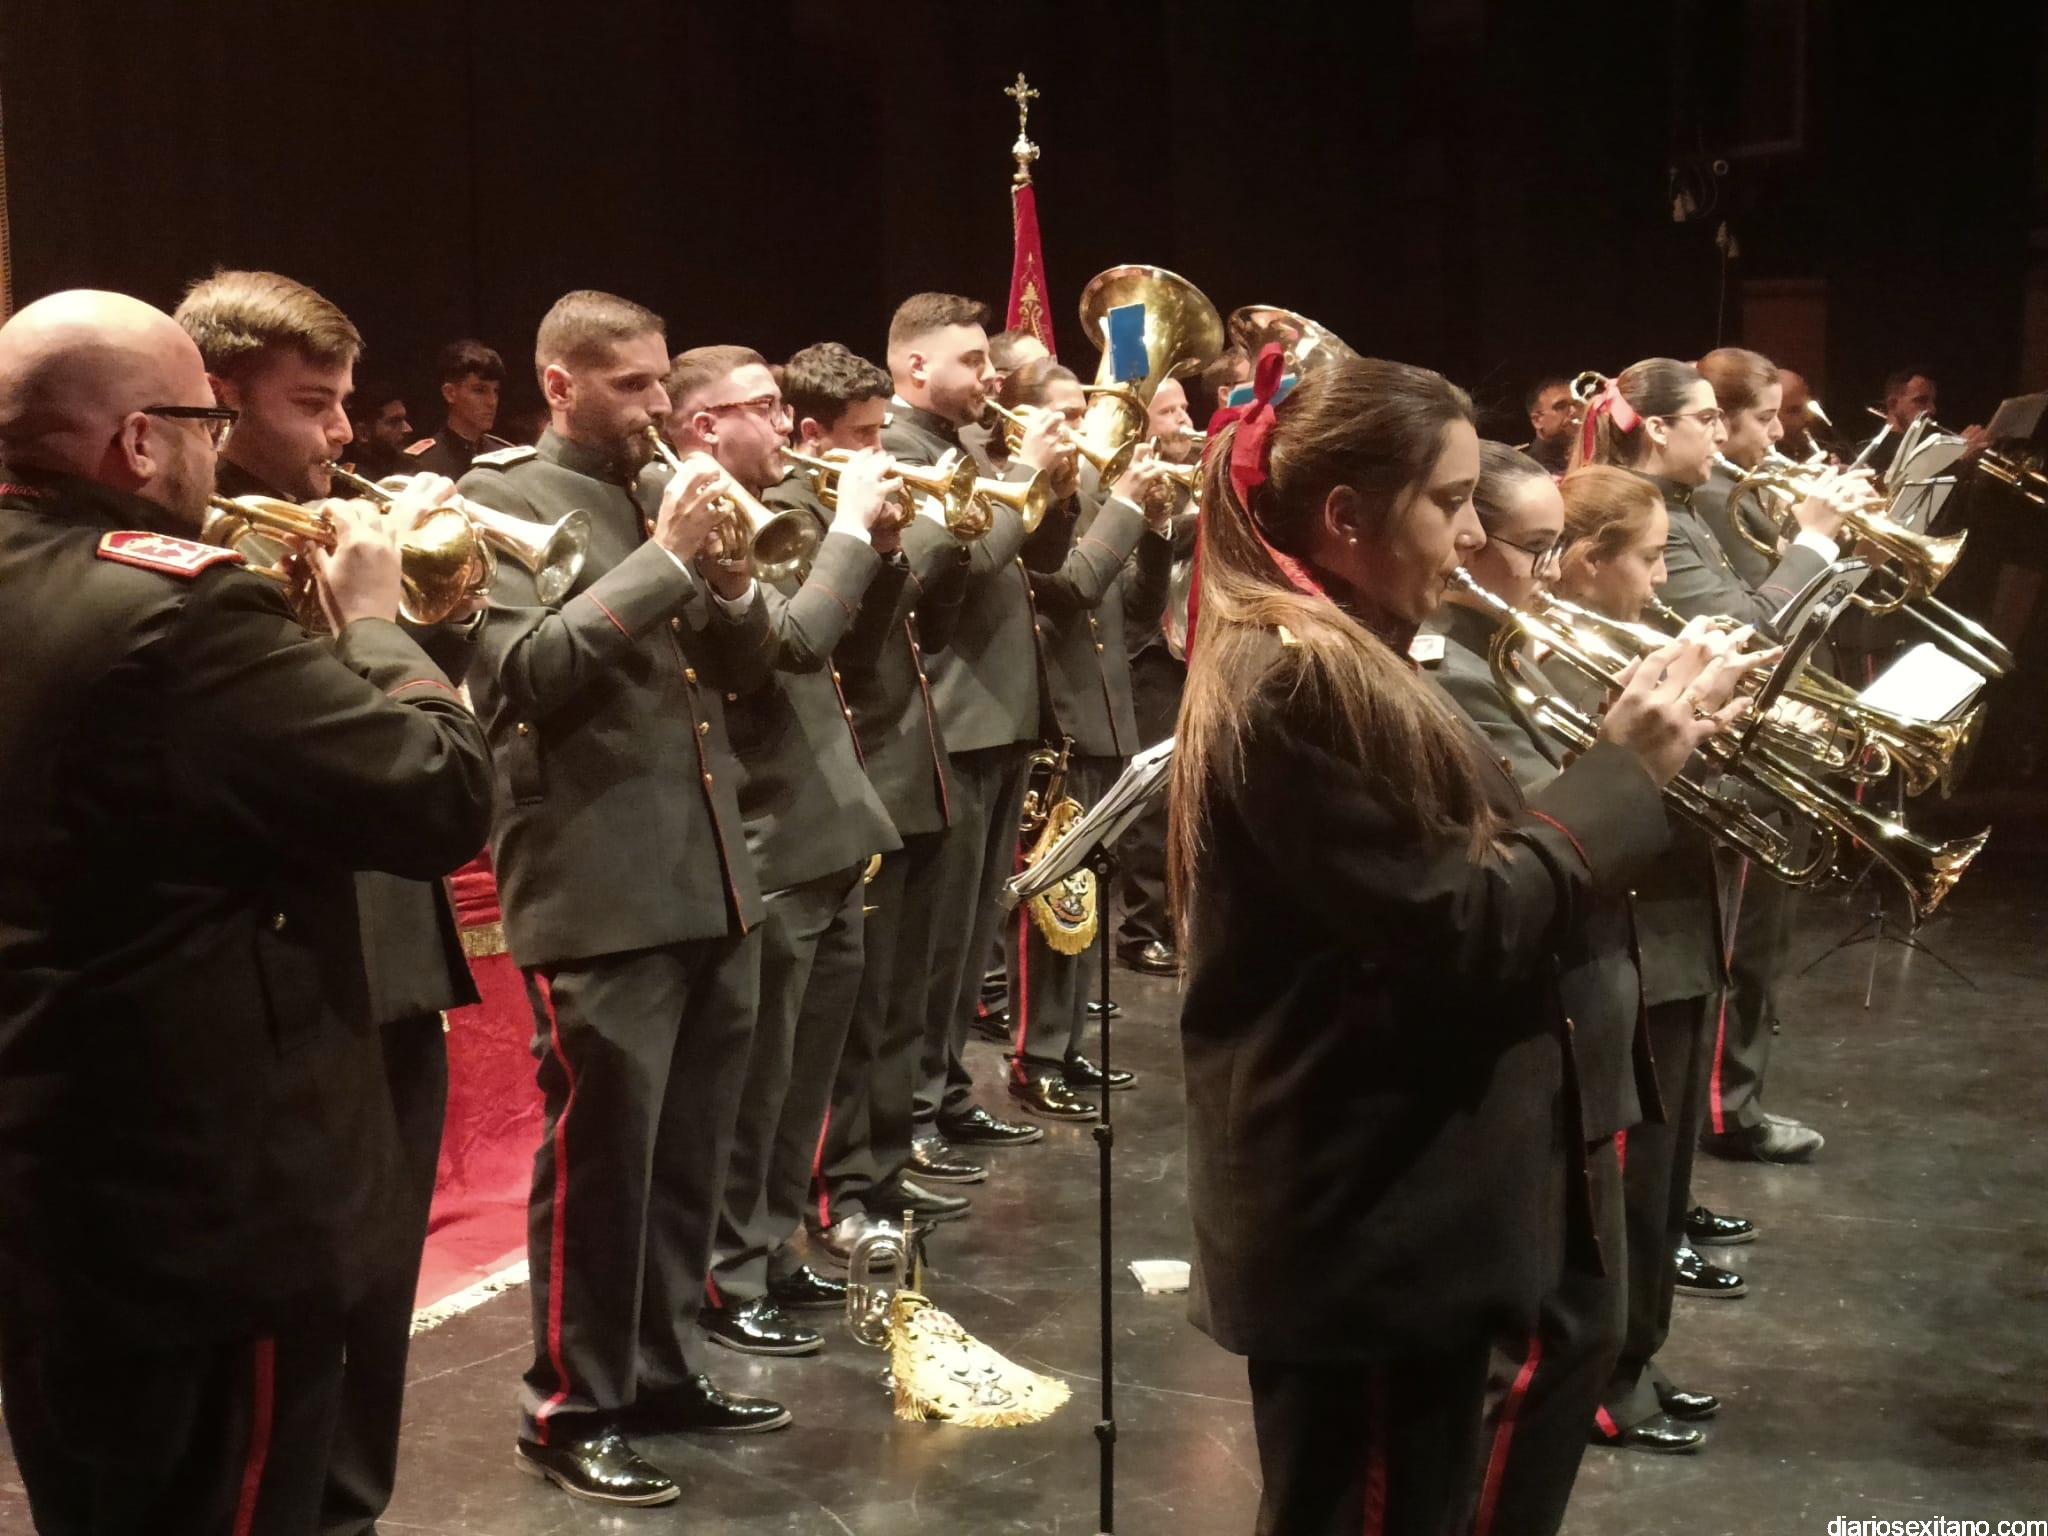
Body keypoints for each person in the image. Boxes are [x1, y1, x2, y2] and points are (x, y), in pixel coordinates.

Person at [1172, 349, 1746, 1534]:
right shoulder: (1299, 680)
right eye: (1445, 504)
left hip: (1397, 1204)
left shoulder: (1349, 655)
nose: (1469, 536)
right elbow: (1460, 921)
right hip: (1369, 1219)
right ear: (1346, 517)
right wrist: (1620, 774)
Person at [0, 289, 493, 1533]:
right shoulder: (186, 606)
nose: (215, 453)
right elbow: (437, 794)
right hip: (203, 1208)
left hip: (47, 1180)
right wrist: (374, 626)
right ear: (139, 440)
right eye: (204, 424)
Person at [457, 290, 788, 1508]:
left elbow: (748, 673)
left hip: (708, 868)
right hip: (595, 880)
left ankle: (658, 1370)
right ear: (560, 384)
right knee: (601, 1161)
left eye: (662, 380)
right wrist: (665, 561)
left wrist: (731, 580)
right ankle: (572, 1406)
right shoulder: (493, 499)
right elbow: (521, 673)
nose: (660, 406)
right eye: (633, 385)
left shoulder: (661, 491)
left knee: (690, 1151)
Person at [176, 267, 482, 1536]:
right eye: (314, 405)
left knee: (376, 1300)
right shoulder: (193, 567)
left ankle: (351, 1516)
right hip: (282, 983)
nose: (345, 434)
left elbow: (429, 734)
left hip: (390, 954)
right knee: (293, 1329)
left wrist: (420, 601)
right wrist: (361, 619)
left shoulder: (323, 531)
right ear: (215, 400)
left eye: (347, 402)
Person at [661, 344, 904, 1352]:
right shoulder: (697, 524)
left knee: (804, 1078)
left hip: (829, 826)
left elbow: (847, 650)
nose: (782, 423)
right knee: (756, 1084)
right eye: (762, 407)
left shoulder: (777, 514)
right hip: (766, 833)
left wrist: (878, 550)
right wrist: (847, 533)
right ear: (706, 427)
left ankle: (773, 1244)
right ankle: (729, 1270)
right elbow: (784, 649)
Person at [1578, 357, 1863, 1166]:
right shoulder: (1651, 511)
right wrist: (1813, 539)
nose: (1724, 434)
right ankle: (1722, 1113)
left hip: (1741, 743)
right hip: (1707, 757)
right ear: (1657, 427)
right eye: (1708, 419)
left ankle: (1719, 1114)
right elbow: (1746, 627)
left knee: (1744, 951)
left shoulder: (1687, 504)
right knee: (1724, 956)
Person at [1546, 466, 1743, 1458]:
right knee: (1624, 1192)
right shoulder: (1559, 661)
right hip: (1628, 941)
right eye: (1652, 558)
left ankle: (1639, 1356)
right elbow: (1573, 806)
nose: (1663, 581)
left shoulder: (1634, 651)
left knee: (1664, 1188)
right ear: (1589, 561)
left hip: (1679, 936)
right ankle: (1603, 1381)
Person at [773, 341, 985, 1246]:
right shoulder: (793, 514)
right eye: (863, 436)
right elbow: (830, 655)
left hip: (913, 766)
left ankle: (884, 1168)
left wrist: (901, 546)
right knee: (854, 1017)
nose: (879, 451)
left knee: (903, 997)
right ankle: (838, 1193)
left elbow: (920, 634)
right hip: (858, 771)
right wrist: (873, 539)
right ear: (812, 434)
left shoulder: (854, 511)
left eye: (880, 432)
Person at [881, 292, 1060, 1153]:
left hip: (997, 717)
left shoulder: (963, 446)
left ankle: (946, 1092)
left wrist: (1049, 485)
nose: (992, 377)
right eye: (974, 361)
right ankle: (912, 1115)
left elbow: (1027, 561)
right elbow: (970, 560)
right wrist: (1026, 478)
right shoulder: (895, 450)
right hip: (949, 721)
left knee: (971, 933)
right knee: (934, 945)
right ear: (917, 366)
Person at [996, 359, 1172, 1116]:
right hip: (1058, 718)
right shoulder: (1025, 499)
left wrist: (1155, 530)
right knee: (1050, 903)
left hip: (1108, 718)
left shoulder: (1096, 495)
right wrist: (1125, 509)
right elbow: (1071, 589)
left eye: (1082, 413)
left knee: (1090, 892)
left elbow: (1137, 610)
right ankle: (1034, 1057)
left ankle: (1067, 1046)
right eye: (1065, 415)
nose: (1083, 428)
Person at [407, 339, 511, 479]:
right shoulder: (422, 463)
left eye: (495, 391)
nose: (492, 402)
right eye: (479, 390)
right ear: (450, 393)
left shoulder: (506, 454)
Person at [347, 379, 412, 478]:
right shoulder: (350, 483)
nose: (408, 429)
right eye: (394, 422)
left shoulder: (403, 464)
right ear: (363, 432)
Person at [1521, 376, 1579, 475]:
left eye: (1576, 404)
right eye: (1561, 407)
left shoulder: (1593, 452)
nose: (1573, 411)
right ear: (1537, 420)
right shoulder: (1526, 469)